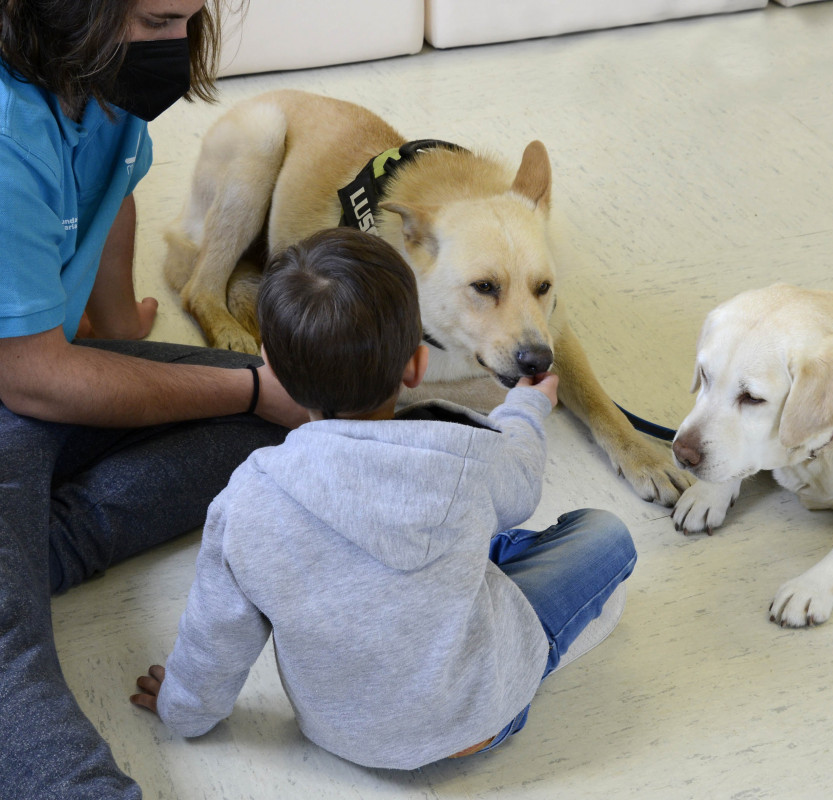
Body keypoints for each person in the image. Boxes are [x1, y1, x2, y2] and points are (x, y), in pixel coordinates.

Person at [128, 228, 637, 769]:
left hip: (339, 734)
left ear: (270, 368)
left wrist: (182, 707)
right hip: (482, 718)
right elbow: (522, 482)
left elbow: (215, 635)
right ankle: (525, 655)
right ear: (416, 366)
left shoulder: (246, 501)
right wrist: (526, 408)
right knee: (605, 535)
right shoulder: (467, 460)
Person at [0, 1, 309, 797]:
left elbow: (113, 192)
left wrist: (112, 333)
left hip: (37, 366)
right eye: (159, 19)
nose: (176, 46)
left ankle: (40, 549)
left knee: (297, 417)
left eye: (190, 18)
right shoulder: (5, 133)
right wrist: (243, 383)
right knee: (11, 660)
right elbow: (30, 376)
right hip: (20, 377)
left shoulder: (90, 78)